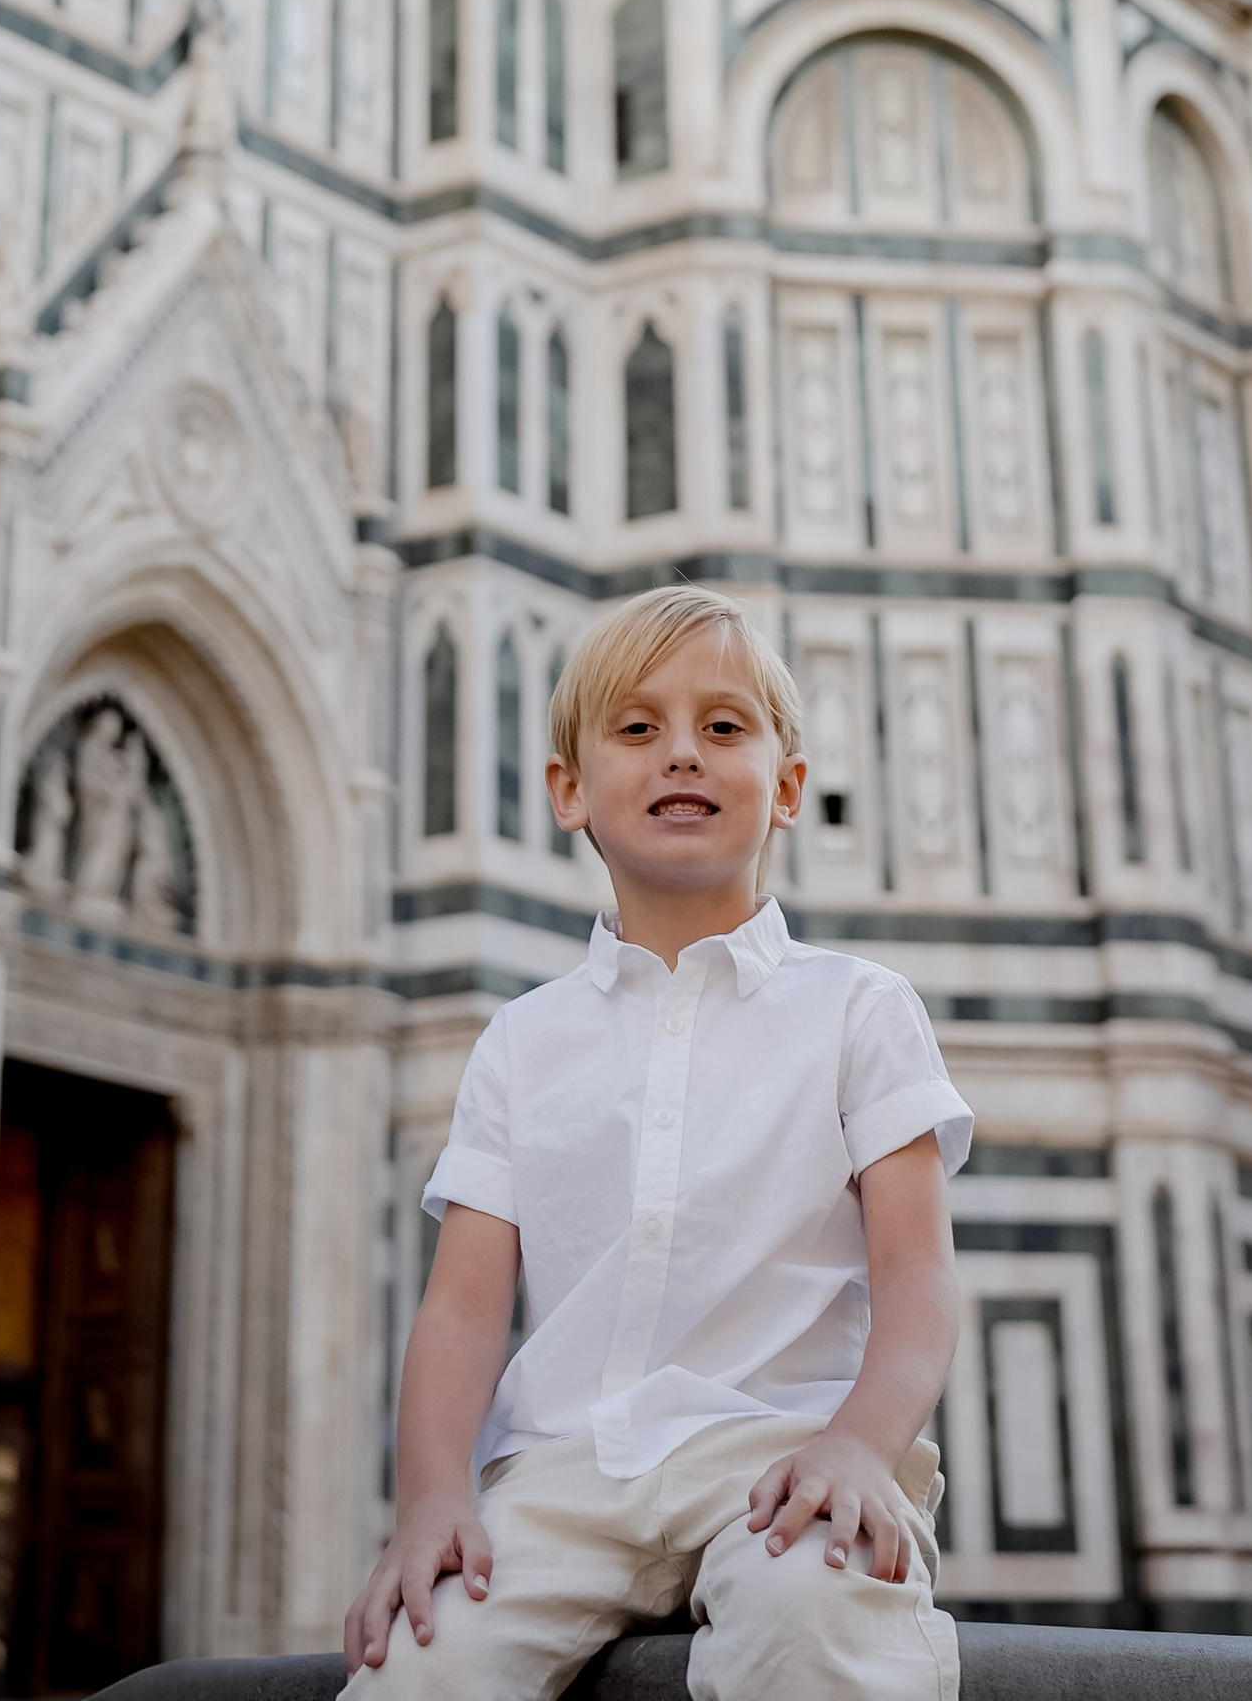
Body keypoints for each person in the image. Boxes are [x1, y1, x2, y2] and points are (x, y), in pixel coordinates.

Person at [346, 585, 968, 1701]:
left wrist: (860, 1445)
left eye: (723, 727)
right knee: (420, 1669)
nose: (682, 751)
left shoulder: (858, 1009)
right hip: (561, 1480)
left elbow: (918, 1272)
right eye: (637, 728)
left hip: (783, 1457)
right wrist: (432, 1498)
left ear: (786, 787)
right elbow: (462, 1309)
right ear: (569, 790)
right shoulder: (521, 1041)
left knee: (815, 1622)